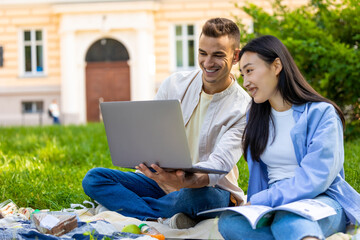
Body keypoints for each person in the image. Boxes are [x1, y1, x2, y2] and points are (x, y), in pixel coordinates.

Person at [82, 18, 251, 229]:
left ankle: (133, 209)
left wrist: (181, 182)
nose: (207, 63)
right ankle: (160, 217)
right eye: (202, 53)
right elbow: (151, 136)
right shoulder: (174, 84)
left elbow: (218, 166)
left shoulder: (244, 107)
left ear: (235, 56)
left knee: (194, 200)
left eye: (218, 55)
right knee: (94, 179)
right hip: (158, 181)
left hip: (205, 189)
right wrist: (155, 171)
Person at [218, 35, 360, 240]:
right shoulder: (255, 116)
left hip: (320, 200)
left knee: (289, 217)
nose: (245, 82)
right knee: (230, 223)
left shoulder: (322, 114)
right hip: (271, 204)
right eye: (242, 74)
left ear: (276, 66)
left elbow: (316, 178)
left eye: (249, 71)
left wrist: (265, 199)